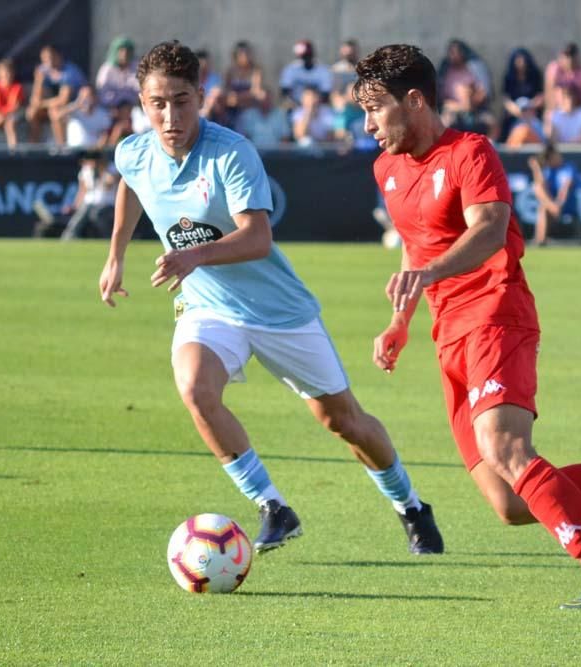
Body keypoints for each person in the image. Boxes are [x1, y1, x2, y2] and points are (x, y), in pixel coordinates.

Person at [354, 43, 581, 609]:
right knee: (511, 502)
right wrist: (399, 321)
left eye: (375, 108)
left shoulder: (470, 152)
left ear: (415, 100)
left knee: (506, 447)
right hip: (448, 335)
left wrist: (428, 273)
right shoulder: (386, 168)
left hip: (497, 311)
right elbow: (415, 251)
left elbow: (489, 230)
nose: (367, 124)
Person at [99, 41, 443, 556]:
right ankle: (272, 508)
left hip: (279, 311)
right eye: (157, 103)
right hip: (208, 307)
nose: (170, 116)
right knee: (195, 388)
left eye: (182, 101)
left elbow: (257, 238)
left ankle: (410, 505)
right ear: (142, 103)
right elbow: (130, 184)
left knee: (344, 422)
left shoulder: (230, 151)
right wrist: (116, 256)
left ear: (201, 96)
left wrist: (194, 256)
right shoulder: (135, 151)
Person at [27, 45, 88, 144]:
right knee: (32, 112)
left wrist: (41, 104)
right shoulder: (43, 71)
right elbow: (35, 99)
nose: (48, 61)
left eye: (50, 57)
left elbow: (63, 100)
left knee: (55, 112)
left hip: (77, 105)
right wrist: (38, 81)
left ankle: (61, 148)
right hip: (52, 104)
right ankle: (32, 146)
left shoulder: (70, 72)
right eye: (44, 59)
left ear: (58, 56)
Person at [527, 143, 578, 245]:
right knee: (538, 192)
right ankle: (541, 240)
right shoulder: (548, 171)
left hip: (566, 206)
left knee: (543, 206)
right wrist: (536, 168)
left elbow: (565, 188)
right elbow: (540, 185)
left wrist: (559, 204)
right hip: (552, 205)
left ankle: (539, 240)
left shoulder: (568, 167)